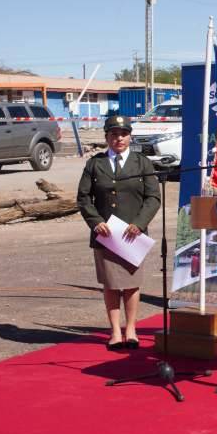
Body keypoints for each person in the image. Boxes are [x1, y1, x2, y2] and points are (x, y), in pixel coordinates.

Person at [77, 115, 161, 351]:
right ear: (106, 137)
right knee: (111, 285)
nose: (119, 138)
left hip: (133, 236)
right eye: (114, 134)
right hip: (106, 236)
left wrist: (140, 223)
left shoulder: (141, 163)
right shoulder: (95, 164)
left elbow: (153, 197)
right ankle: (115, 331)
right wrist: (95, 221)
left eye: (123, 134)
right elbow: (84, 198)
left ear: (130, 136)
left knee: (132, 284)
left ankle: (131, 329)